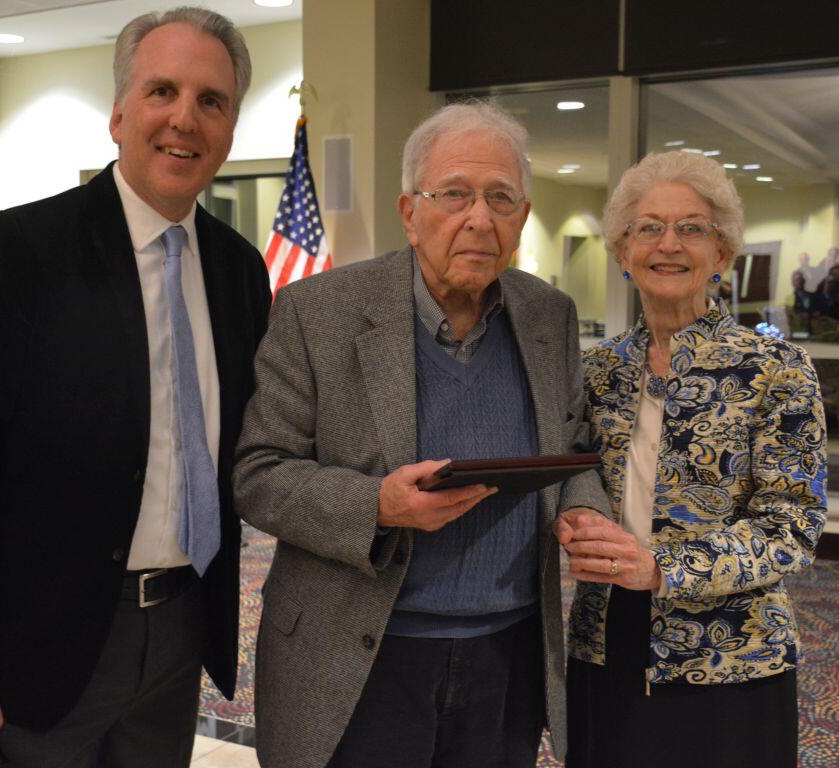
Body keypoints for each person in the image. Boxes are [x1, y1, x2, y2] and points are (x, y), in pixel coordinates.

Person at [0, 8, 271, 766]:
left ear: (230, 127)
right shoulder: (22, 252)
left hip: (179, 636)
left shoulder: (240, 271)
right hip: (42, 648)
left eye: (212, 101)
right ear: (118, 113)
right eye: (162, 90)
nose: (184, 119)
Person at [233, 100, 609, 768]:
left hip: (508, 653)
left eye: (500, 198)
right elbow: (260, 473)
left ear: (521, 218)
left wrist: (582, 507)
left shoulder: (549, 314)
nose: (479, 218)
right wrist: (376, 505)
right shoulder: (318, 312)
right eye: (454, 195)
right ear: (410, 212)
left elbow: (576, 445)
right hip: (358, 655)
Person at [554, 151, 827, 768]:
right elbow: (571, 482)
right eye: (648, 227)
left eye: (691, 228)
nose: (667, 244)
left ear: (722, 254)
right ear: (623, 251)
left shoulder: (774, 371)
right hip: (606, 636)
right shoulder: (595, 372)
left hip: (731, 652)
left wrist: (663, 568)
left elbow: (793, 528)